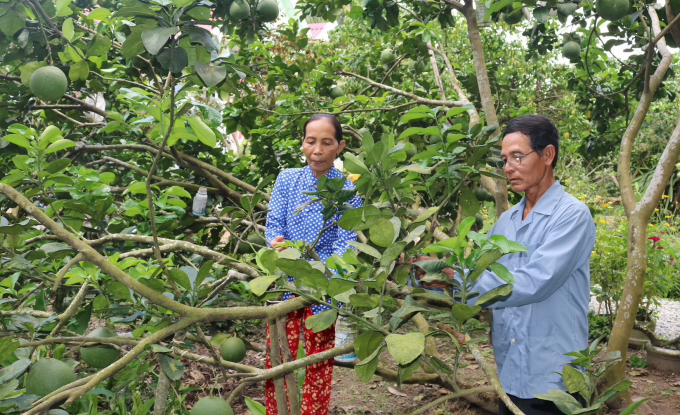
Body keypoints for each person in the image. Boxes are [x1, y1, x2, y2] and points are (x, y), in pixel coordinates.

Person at [417, 115, 595, 415]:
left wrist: (454, 277)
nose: (508, 168)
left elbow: (534, 282)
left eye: (517, 157)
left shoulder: (573, 216)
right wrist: (426, 276)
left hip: (555, 378)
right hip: (511, 373)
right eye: (504, 159)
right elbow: (478, 278)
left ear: (547, 155)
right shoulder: (506, 222)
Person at [264, 114, 362, 415]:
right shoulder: (288, 179)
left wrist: (329, 276)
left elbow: (346, 242)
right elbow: (274, 225)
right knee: (278, 360)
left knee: (319, 363)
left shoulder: (347, 189)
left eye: (326, 142)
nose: (317, 150)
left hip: (323, 291)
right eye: (311, 141)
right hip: (286, 284)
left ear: (340, 147)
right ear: (303, 144)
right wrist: (277, 243)